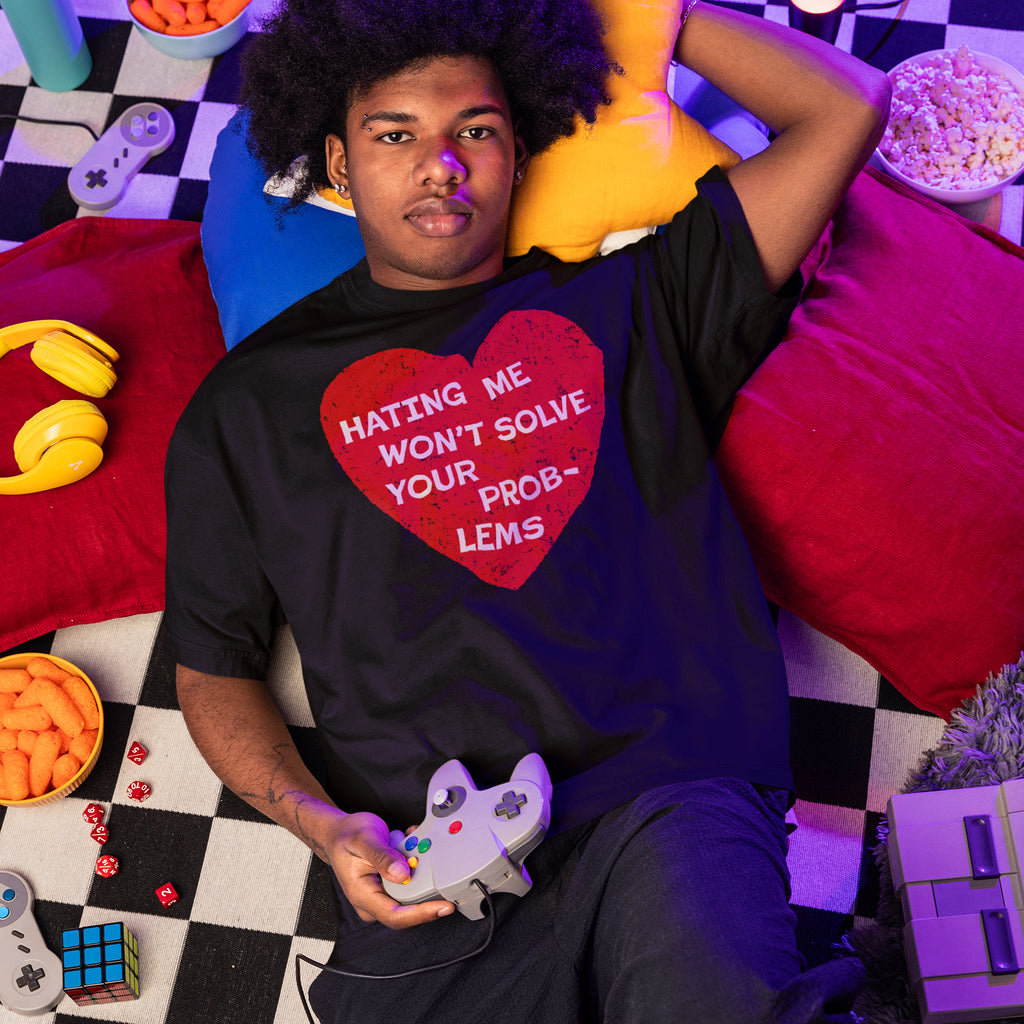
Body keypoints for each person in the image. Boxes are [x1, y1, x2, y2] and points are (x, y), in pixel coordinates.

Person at [164, 0, 890, 1019]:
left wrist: (646, 13)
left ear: (519, 149)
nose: (439, 164)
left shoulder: (631, 299)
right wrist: (317, 821)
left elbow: (844, 105)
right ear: (335, 162)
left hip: (666, 784)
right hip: (436, 852)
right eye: (394, 134)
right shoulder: (243, 407)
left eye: (476, 130)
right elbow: (212, 668)